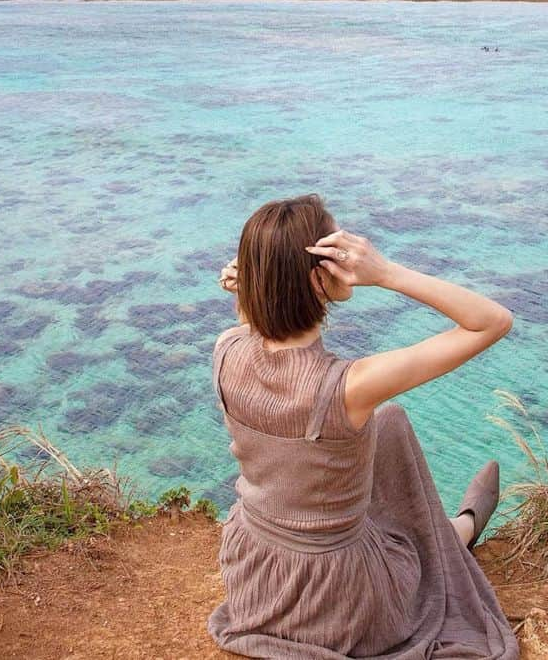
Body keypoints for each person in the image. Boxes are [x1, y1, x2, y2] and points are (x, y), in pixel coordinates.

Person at [207, 193, 519, 660]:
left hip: (255, 576)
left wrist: (256, 281)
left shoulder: (226, 350)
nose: (350, 254)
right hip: (341, 601)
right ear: (317, 279)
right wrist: (385, 272)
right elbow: (492, 322)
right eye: (338, 250)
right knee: (388, 425)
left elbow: (257, 323)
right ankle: (459, 533)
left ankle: (453, 531)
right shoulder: (348, 387)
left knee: (385, 423)